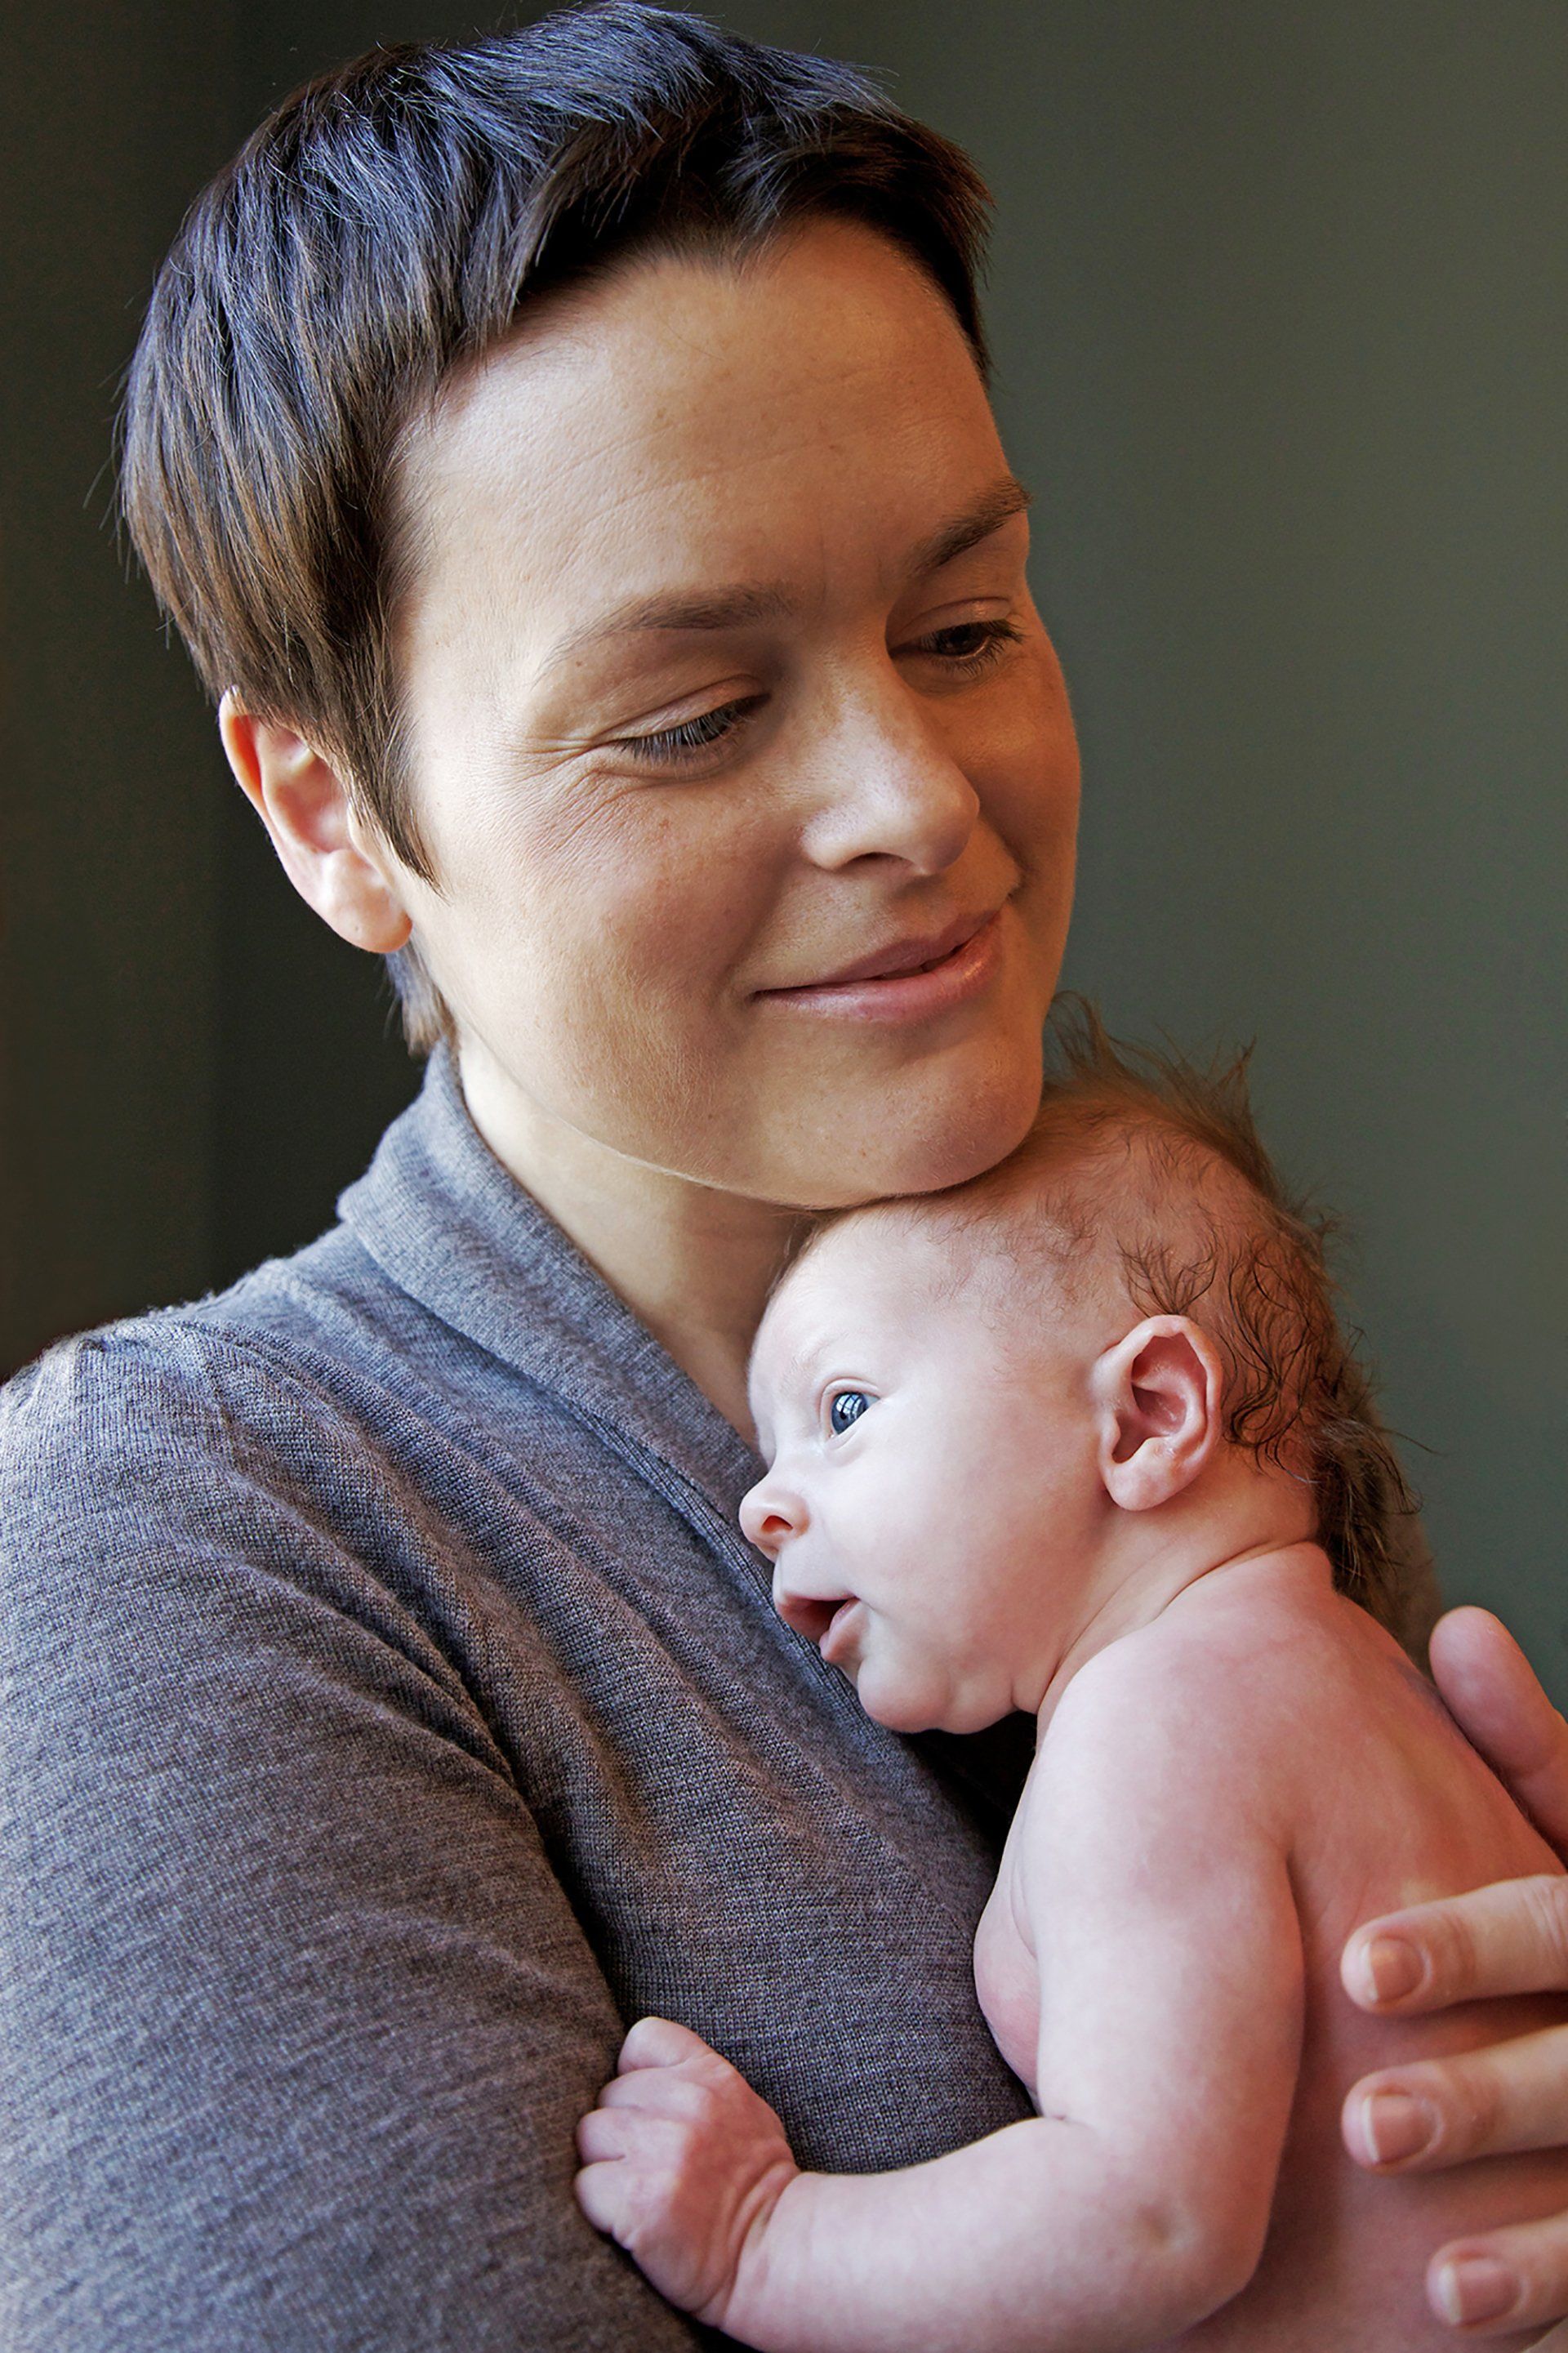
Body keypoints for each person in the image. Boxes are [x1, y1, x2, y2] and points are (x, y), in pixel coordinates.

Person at [3, 9, 1567, 2347]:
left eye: (965, 624)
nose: (917, 801)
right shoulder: (178, 1539)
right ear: (335, 817)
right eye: (695, 717)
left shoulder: (1160, 1326)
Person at [575, 1015, 1568, 2349]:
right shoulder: (1360, 1682)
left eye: (845, 1410)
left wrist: (761, 2235)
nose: (763, 1503)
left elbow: (1152, 2218)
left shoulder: (1153, 1729)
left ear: (1147, 1416)